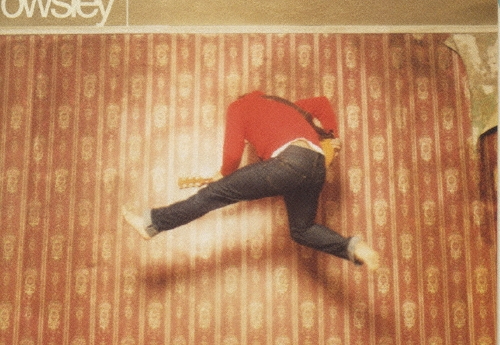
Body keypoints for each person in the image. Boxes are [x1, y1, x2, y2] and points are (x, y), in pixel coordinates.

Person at [122, 90, 380, 270]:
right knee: (302, 230)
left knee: (212, 195)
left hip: (291, 162)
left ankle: (152, 223)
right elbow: (322, 103)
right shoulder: (288, 106)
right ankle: (353, 248)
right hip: (317, 167)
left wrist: (223, 174)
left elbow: (233, 156)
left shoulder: (238, 107)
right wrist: (332, 136)